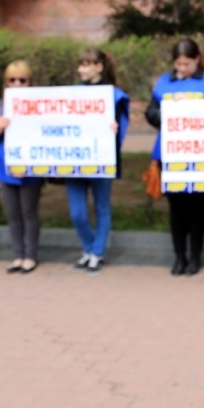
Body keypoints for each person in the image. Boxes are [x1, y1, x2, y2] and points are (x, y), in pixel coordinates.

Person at [145, 39, 204, 276]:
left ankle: (195, 257)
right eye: (178, 64)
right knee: (176, 209)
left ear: (197, 60)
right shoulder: (164, 83)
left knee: (196, 208)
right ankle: (179, 257)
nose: (182, 68)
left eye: (187, 64)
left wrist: (193, 108)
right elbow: (151, 113)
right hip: (169, 154)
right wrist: (170, 110)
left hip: (200, 154)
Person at [69, 48, 130, 276]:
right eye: (80, 64)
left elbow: (121, 125)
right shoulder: (72, 93)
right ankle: (88, 248)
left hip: (102, 160)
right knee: (77, 213)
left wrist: (114, 130)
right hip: (74, 161)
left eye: (85, 64)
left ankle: (97, 252)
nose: (80, 69)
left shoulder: (113, 95)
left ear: (99, 67)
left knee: (102, 206)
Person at [0, 61, 44, 274]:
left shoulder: (40, 105)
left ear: (30, 82)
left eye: (23, 79)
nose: (17, 83)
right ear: (6, 83)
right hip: (5, 167)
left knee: (29, 212)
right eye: (12, 80)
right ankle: (18, 255)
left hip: (31, 167)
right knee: (13, 213)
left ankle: (31, 255)